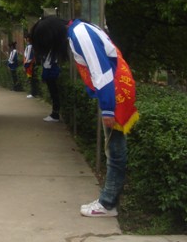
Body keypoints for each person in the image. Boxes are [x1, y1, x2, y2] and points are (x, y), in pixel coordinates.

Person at [31, 16, 139, 217]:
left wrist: (108, 108)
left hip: (115, 94)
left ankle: (107, 204)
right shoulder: (79, 31)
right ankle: (108, 201)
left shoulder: (80, 34)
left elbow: (101, 72)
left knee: (115, 152)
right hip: (114, 92)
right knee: (114, 150)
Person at [41, 52, 61, 122]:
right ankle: (55, 113)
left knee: (54, 95)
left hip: (51, 75)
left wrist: (44, 76)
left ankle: (55, 115)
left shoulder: (51, 52)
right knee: (54, 95)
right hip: (51, 75)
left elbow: (47, 65)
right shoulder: (52, 52)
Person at [23, 33, 40, 98]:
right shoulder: (29, 46)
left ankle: (33, 93)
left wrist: (25, 64)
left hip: (30, 64)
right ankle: (33, 92)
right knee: (31, 79)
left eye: (25, 38)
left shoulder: (30, 46)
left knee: (32, 79)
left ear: (28, 39)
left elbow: (29, 57)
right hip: (29, 64)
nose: (24, 40)